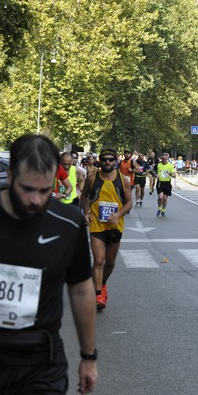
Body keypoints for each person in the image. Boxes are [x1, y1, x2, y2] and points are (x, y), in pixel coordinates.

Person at [0, 134, 97, 394]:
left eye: (44, 191)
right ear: (10, 176)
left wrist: (88, 357)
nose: (36, 200)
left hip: (40, 361)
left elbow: (80, 288)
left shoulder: (67, 222)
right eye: (27, 189)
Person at [81, 148, 132, 311]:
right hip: (97, 224)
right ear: (100, 161)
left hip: (115, 225)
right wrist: (87, 212)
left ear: (116, 160)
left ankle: (102, 284)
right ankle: (97, 295)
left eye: (111, 159)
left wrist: (118, 214)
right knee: (99, 260)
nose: (107, 162)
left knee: (109, 263)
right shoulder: (91, 178)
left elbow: (129, 202)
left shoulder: (123, 180)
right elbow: (84, 196)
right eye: (104, 159)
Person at [155, 152, 176, 217]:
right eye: (163, 159)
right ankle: (159, 209)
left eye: (165, 159)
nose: (164, 160)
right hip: (160, 182)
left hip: (167, 183)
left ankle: (163, 210)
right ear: (161, 158)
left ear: (167, 159)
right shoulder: (158, 164)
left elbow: (174, 175)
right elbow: (153, 171)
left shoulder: (170, 165)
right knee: (160, 197)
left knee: (164, 198)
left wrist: (170, 173)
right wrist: (156, 175)